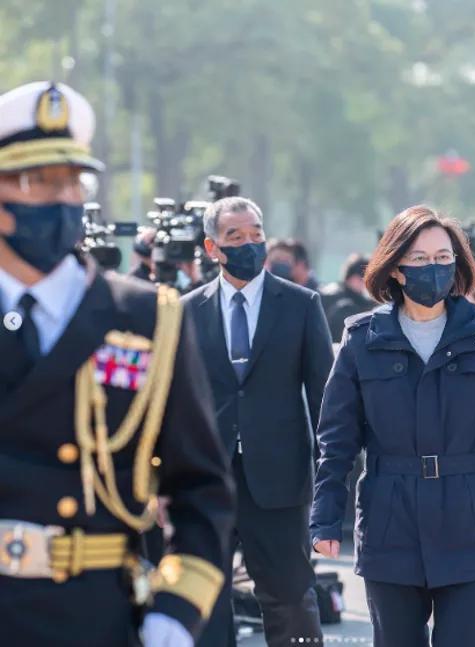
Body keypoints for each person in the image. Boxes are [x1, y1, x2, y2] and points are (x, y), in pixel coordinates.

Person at [0, 81, 235, 647]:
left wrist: (173, 615)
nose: (61, 199)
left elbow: (201, 489)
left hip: (93, 614)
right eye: (37, 182)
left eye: (72, 181)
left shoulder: (146, 318)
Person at [310, 205, 475, 647]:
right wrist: (324, 518)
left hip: (472, 518)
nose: (432, 267)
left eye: (441, 257)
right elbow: (336, 440)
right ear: (395, 268)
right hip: (389, 519)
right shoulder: (361, 338)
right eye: (418, 258)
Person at [182, 197, 335, 647]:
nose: (250, 244)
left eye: (255, 234)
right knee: (204, 600)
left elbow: (324, 395)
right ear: (213, 248)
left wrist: (330, 477)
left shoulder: (301, 305)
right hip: (205, 481)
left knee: (289, 597)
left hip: (280, 482)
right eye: (236, 237)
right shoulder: (186, 311)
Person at [320, 253, 375, 343]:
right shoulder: (346, 304)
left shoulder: (330, 293)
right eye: (364, 279)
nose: (366, 284)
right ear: (354, 278)